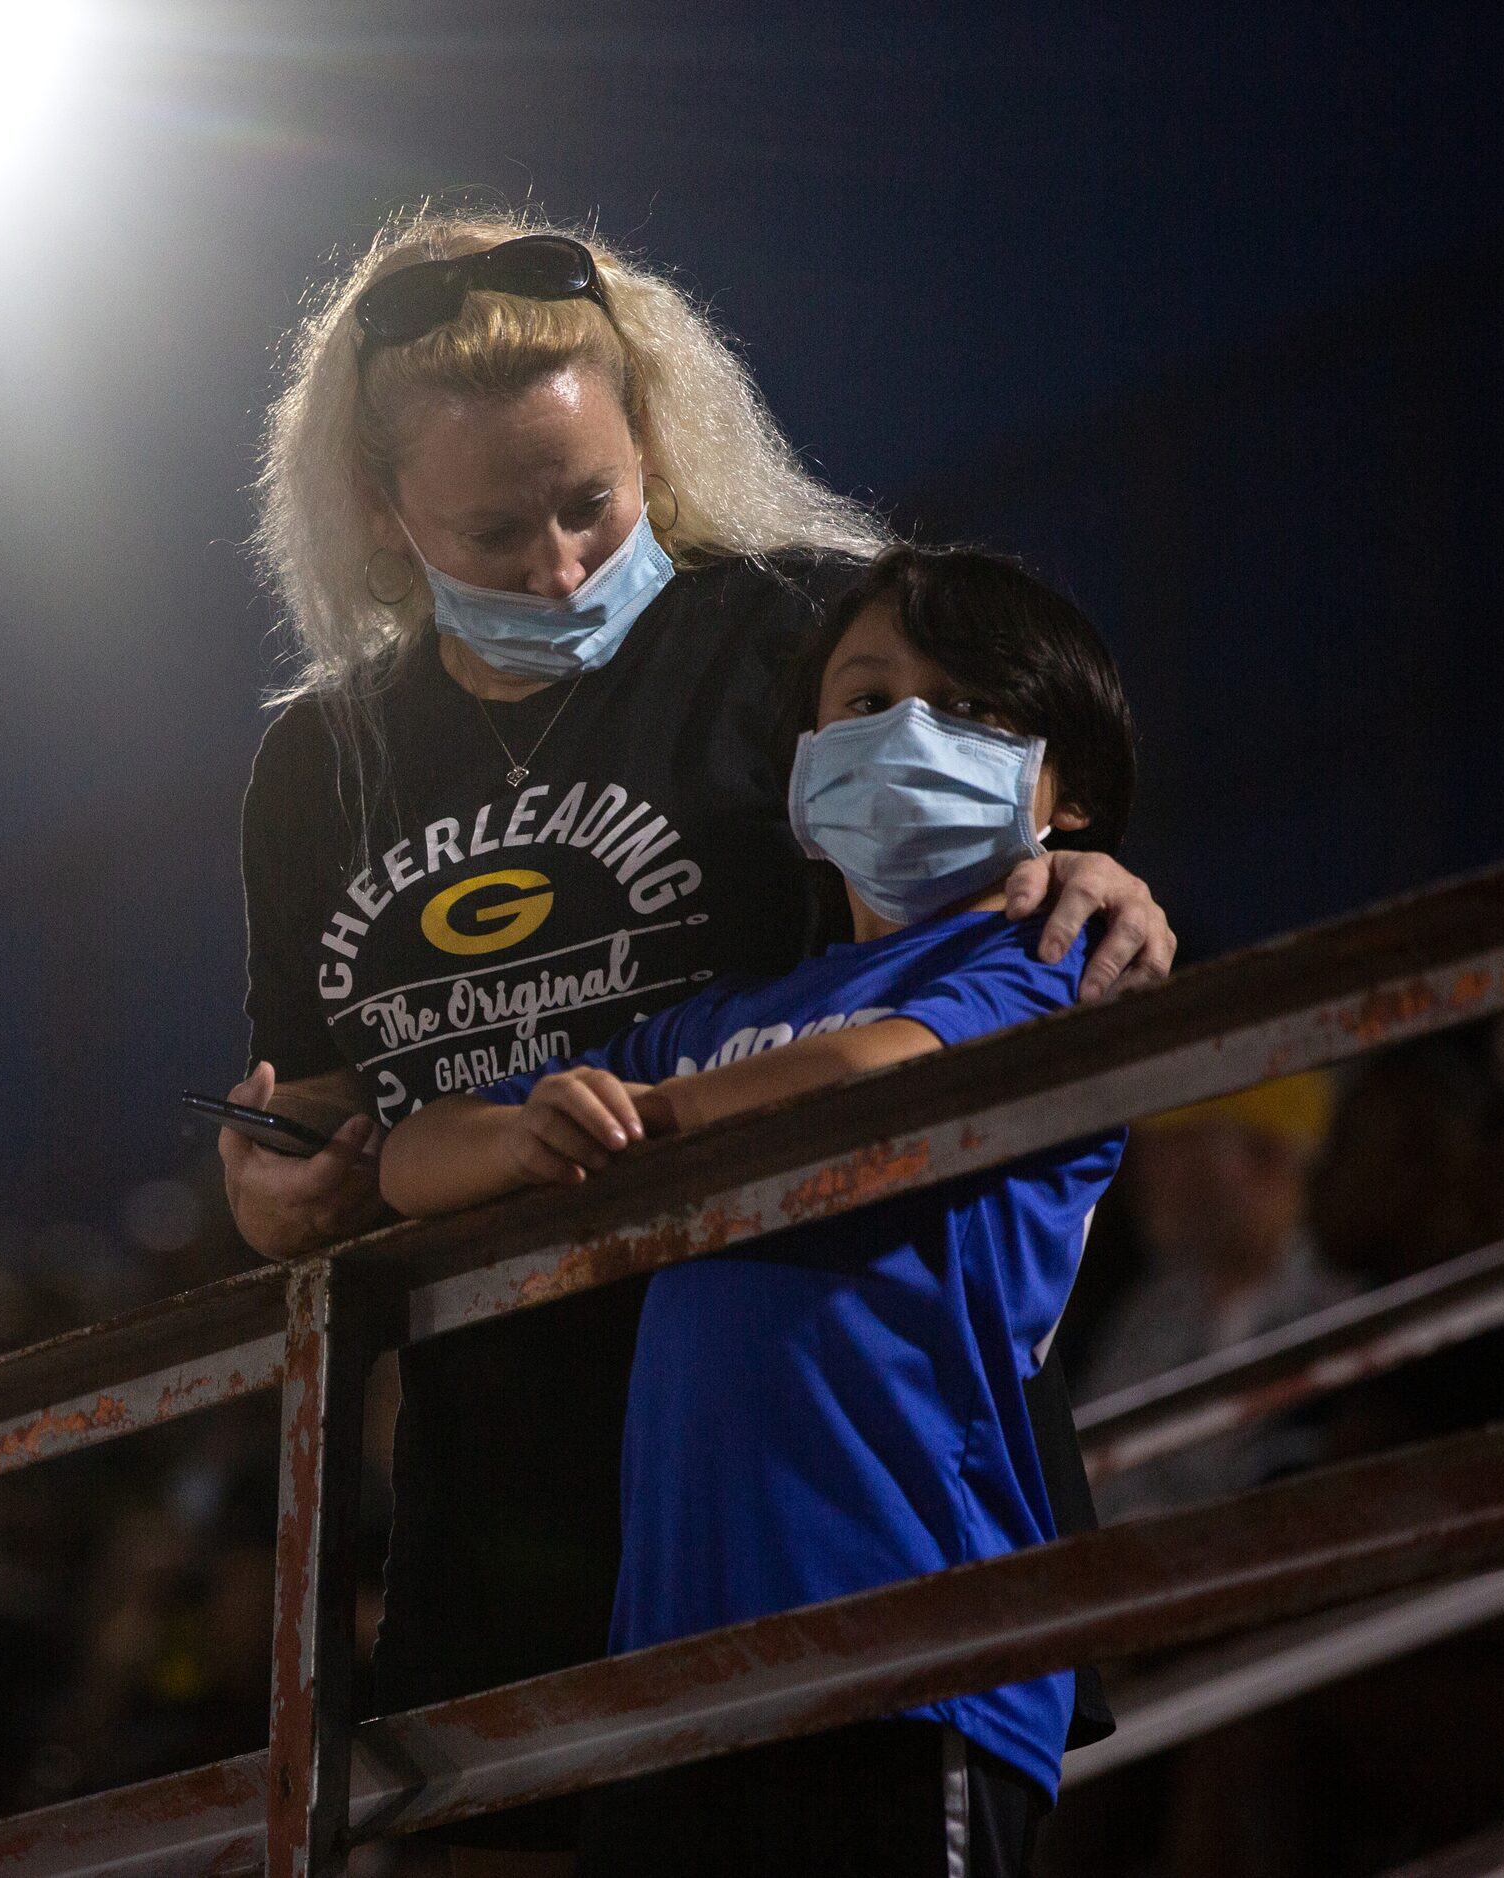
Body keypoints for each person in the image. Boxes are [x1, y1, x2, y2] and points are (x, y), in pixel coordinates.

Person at [228, 206, 1173, 1867]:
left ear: (650, 435)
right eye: (493, 527)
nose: (562, 565)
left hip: (836, 1465)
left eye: (591, 501)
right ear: (382, 518)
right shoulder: (320, 763)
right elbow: (315, 1115)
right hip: (501, 1492)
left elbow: (977, 799)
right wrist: (274, 1185)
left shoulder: (785, 632)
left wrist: (1084, 860)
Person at [382, 546, 1137, 1876]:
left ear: (1065, 792)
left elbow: (878, 1072)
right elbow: (410, 1160)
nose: (907, 728)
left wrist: (642, 1124)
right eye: (862, 699)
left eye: (971, 710)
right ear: (798, 776)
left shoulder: (1038, 964)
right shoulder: (715, 1022)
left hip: (910, 1651)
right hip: (670, 1689)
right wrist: (522, 1129)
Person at [1076, 1074, 1352, 1520]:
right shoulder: (1148, 1314)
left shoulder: (1343, 1327)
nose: (1146, 1166)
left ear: (1267, 1155)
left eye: (1180, 1140)